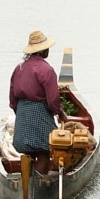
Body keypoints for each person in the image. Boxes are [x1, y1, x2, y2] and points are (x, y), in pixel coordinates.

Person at [9, 30, 62, 168]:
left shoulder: (18, 68)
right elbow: (53, 101)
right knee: (44, 153)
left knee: (28, 154)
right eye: (47, 48)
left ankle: (27, 183)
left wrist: (21, 114)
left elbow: (13, 100)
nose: (48, 51)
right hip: (39, 114)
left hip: (22, 114)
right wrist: (59, 113)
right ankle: (38, 184)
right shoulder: (46, 70)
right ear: (42, 51)